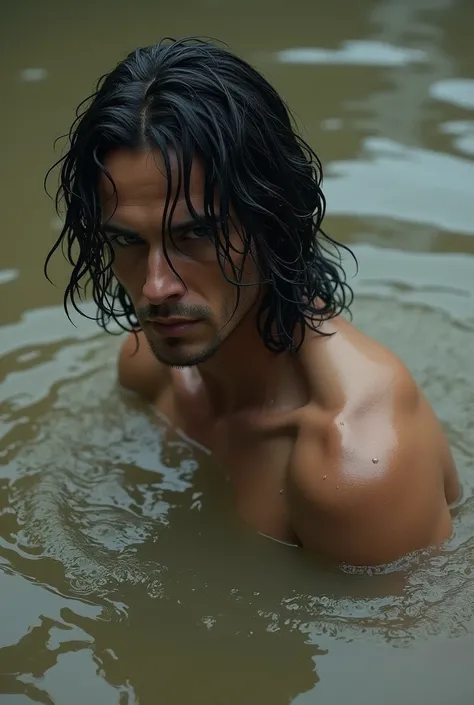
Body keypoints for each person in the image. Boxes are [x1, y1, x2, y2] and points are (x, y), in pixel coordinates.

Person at [45, 37, 459, 566]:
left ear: (274, 219)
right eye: (128, 240)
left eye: (195, 234)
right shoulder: (148, 365)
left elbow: (419, 648)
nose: (155, 288)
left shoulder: (354, 466)